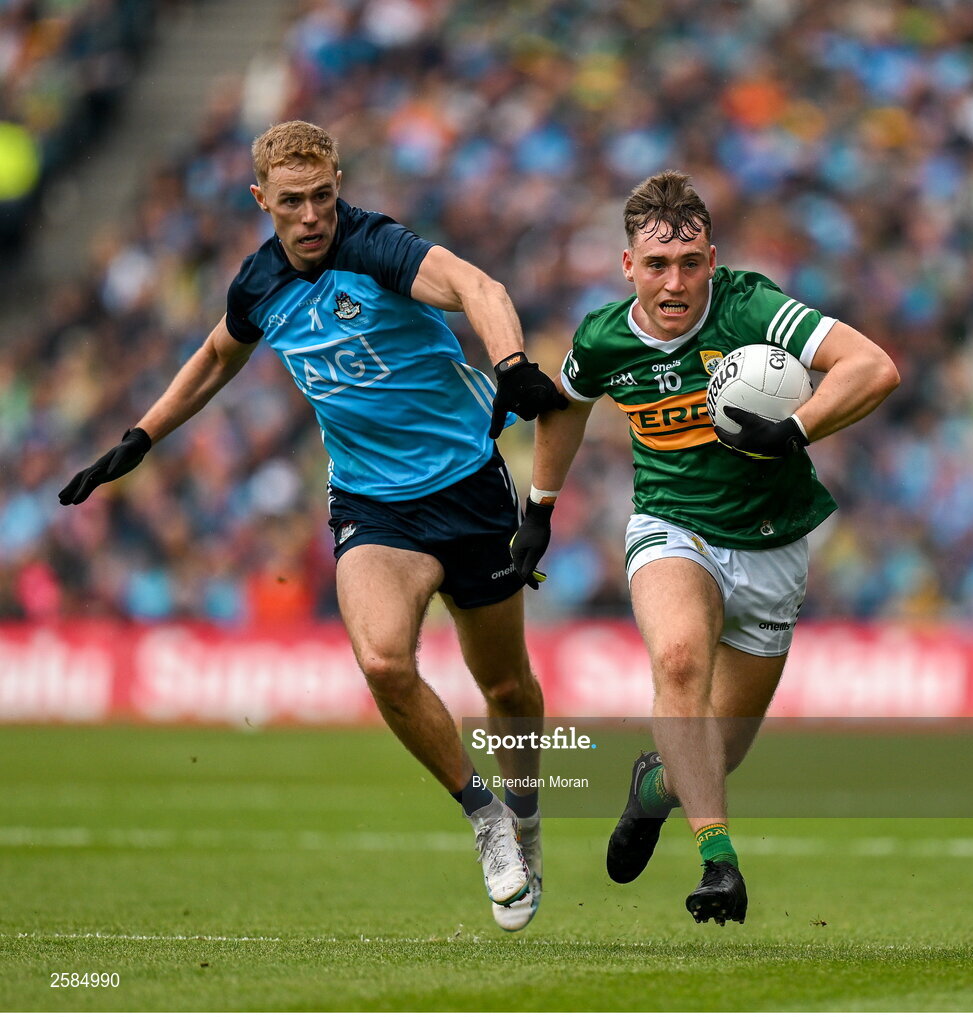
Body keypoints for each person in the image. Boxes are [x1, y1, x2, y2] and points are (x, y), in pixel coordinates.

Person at [58, 120, 567, 932]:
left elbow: (480, 288)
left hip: (469, 491)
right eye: (290, 202)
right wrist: (140, 436)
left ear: (339, 186)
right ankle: (486, 818)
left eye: (322, 196)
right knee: (382, 660)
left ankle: (529, 815)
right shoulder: (258, 284)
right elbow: (218, 355)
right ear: (262, 201)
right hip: (372, 504)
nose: (309, 215)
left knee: (507, 686)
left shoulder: (381, 249)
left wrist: (509, 363)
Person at [510, 170, 899, 925]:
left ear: (712, 260)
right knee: (679, 657)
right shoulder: (602, 338)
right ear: (629, 266)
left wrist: (794, 430)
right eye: (656, 265)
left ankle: (652, 790)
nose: (675, 281)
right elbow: (564, 408)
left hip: (774, 545)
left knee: (717, 754)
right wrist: (540, 510)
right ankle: (718, 862)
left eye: (690, 263)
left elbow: (873, 366)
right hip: (670, 526)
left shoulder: (753, 306)